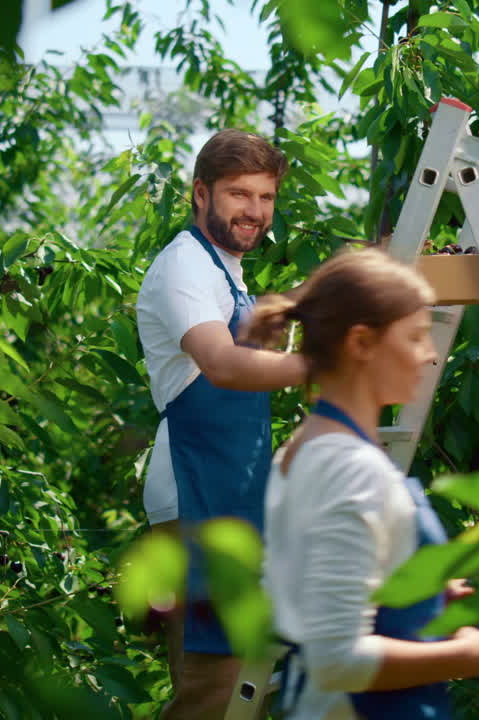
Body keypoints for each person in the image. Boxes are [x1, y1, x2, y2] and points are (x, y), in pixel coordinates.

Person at [243, 249, 479, 719]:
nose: (429, 355)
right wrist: (470, 654)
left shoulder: (307, 446)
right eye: (416, 337)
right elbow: (336, 660)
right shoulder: (349, 467)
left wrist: (420, 594)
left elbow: (310, 588)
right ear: (361, 343)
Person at [135, 129, 307, 720]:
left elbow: (253, 330)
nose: (254, 212)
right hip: (195, 492)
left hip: (228, 490)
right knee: (212, 689)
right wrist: (326, 365)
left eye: (265, 197)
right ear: (200, 193)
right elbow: (223, 362)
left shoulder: (224, 269)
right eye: (239, 194)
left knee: (238, 690)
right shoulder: (184, 265)